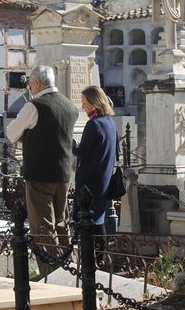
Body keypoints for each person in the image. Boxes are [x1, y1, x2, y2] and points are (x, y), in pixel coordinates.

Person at [6, 65, 78, 278]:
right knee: (62, 223)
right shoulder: (69, 105)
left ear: (37, 82)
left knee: (43, 226)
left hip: (39, 174)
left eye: (30, 81)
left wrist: (26, 135)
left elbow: (11, 133)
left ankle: (53, 273)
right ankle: (71, 269)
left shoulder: (34, 106)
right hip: (64, 175)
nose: (29, 85)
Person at [71, 86, 117, 260]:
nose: (83, 106)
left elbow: (83, 153)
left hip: (89, 181)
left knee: (88, 221)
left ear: (93, 102)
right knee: (98, 218)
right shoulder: (110, 122)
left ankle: (92, 260)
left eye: (84, 102)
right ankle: (101, 258)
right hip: (103, 178)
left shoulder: (94, 124)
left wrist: (72, 147)